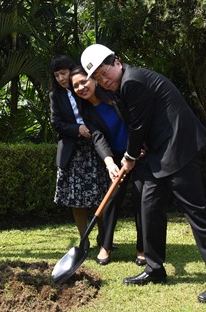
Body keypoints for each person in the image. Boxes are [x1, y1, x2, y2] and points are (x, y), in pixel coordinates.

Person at [80, 44, 206, 304]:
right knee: (149, 208)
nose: (103, 79)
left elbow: (140, 124)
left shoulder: (132, 81)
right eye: (97, 78)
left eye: (104, 71)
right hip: (158, 151)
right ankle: (154, 268)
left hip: (178, 148)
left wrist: (130, 157)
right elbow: (144, 122)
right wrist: (138, 149)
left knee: (196, 212)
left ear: (116, 62)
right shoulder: (120, 88)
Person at [69, 65, 145, 266]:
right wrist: (109, 162)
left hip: (141, 152)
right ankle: (105, 245)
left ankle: (142, 248)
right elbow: (98, 137)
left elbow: (136, 121)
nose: (81, 87)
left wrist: (140, 147)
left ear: (94, 79)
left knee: (142, 198)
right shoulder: (86, 110)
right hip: (119, 156)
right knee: (111, 198)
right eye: (75, 86)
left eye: (84, 81)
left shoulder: (114, 94)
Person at [50, 57, 109, 248]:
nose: (60, 78)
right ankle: (84, 240)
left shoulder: (86, 87)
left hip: (96, 147)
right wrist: (77, 129)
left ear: (72, 70)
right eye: (57, 75)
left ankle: (104, 239)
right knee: (76, 198)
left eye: (63, 73)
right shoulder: (55, 96)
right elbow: (56, 123)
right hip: (72, 151)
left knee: (101, 195)